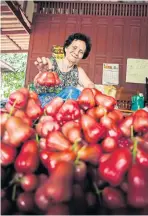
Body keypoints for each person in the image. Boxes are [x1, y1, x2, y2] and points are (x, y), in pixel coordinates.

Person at [33, 33, 95, 106]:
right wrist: (42, 73)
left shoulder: (78, 70)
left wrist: (86, 89)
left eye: (81, 52)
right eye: (74, 48)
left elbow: (89, 85)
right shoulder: (51, 63)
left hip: (64, 111)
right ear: (66, 48)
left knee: (74, 92)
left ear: (82, 56)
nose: (76, 53)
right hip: (44, 106)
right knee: (72, 91)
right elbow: (36, 85)